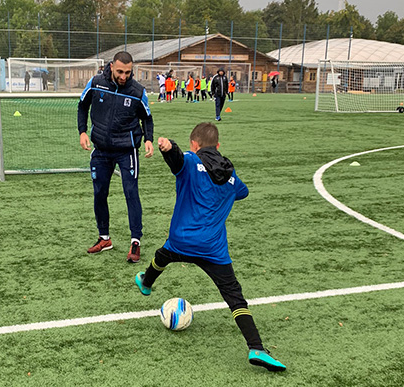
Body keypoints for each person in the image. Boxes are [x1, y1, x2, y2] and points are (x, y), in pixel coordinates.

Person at [134, 122, 286, 372]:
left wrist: (167, 146)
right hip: (213, 249)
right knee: (235, 299)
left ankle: (147, 282)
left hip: (182, 240)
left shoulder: (190, 161)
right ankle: (256, 347)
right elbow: (243, 192)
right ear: (218, 145)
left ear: (194, 144)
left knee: (164, 254)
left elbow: (176, 158)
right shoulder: (231, 176)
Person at [78, 51, 154, 263]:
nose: (124, 76)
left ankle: (135, 241)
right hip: (101, 150)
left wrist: (148, 139)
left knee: (131, 193)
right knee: (100, 192)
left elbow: (147, 118)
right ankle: (104, 238)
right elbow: (82, 105)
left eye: (128, 72)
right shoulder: (95, 83)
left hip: (126, 150)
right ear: (111, 66)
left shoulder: (137, 91)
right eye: (120, 71)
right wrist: (82, 131)